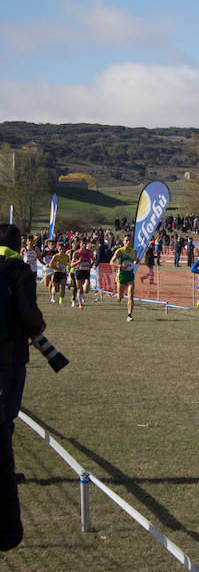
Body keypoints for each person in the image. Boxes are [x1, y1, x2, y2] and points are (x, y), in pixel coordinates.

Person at [0, 223, 46, 550]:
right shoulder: (19, 271)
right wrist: (39, 327)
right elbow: (29, 315)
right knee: (5, 421)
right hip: (9, 359)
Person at [110, 235, 138, 321]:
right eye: (126, 240)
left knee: (130, 296)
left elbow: (135, 259)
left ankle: (129, 315)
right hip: (121, 276)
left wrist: (136, 261)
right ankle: (119, 297)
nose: (128, 242)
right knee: (120, 296)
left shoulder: (134, 252)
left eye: (130, 240)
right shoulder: (119, 251)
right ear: (123, 242)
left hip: (130, 275)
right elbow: (111, 262)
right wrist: (120, 266)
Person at [71, 238, 93, 309]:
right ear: (80, 244)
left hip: (86, 271)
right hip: (79, 271)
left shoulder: (89, 252)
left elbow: (92, 260)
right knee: (79, 289)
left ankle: (81, 296)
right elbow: (72, 264)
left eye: (85, 244)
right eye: (82, 244)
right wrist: (78, 261)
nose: (84, 245)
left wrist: (91, 264)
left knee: (86, 290)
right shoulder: (76, 253)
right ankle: (80, 303)